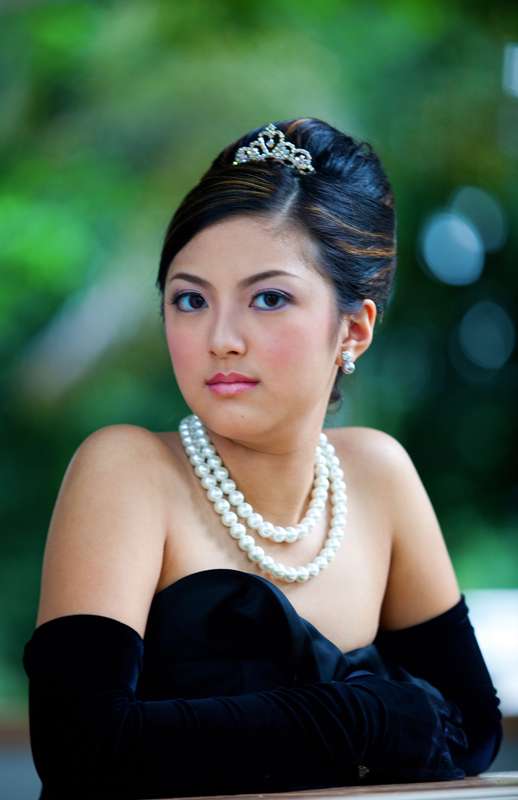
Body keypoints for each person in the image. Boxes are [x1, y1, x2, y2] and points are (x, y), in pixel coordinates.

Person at [22, 118, 503, 799]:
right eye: (191, 299)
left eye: (269, 298)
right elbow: (81, 749)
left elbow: (473, 731)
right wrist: (361, 718)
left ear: (353, 329)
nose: (221, 338)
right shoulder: (127, 471)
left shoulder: (379, 474)